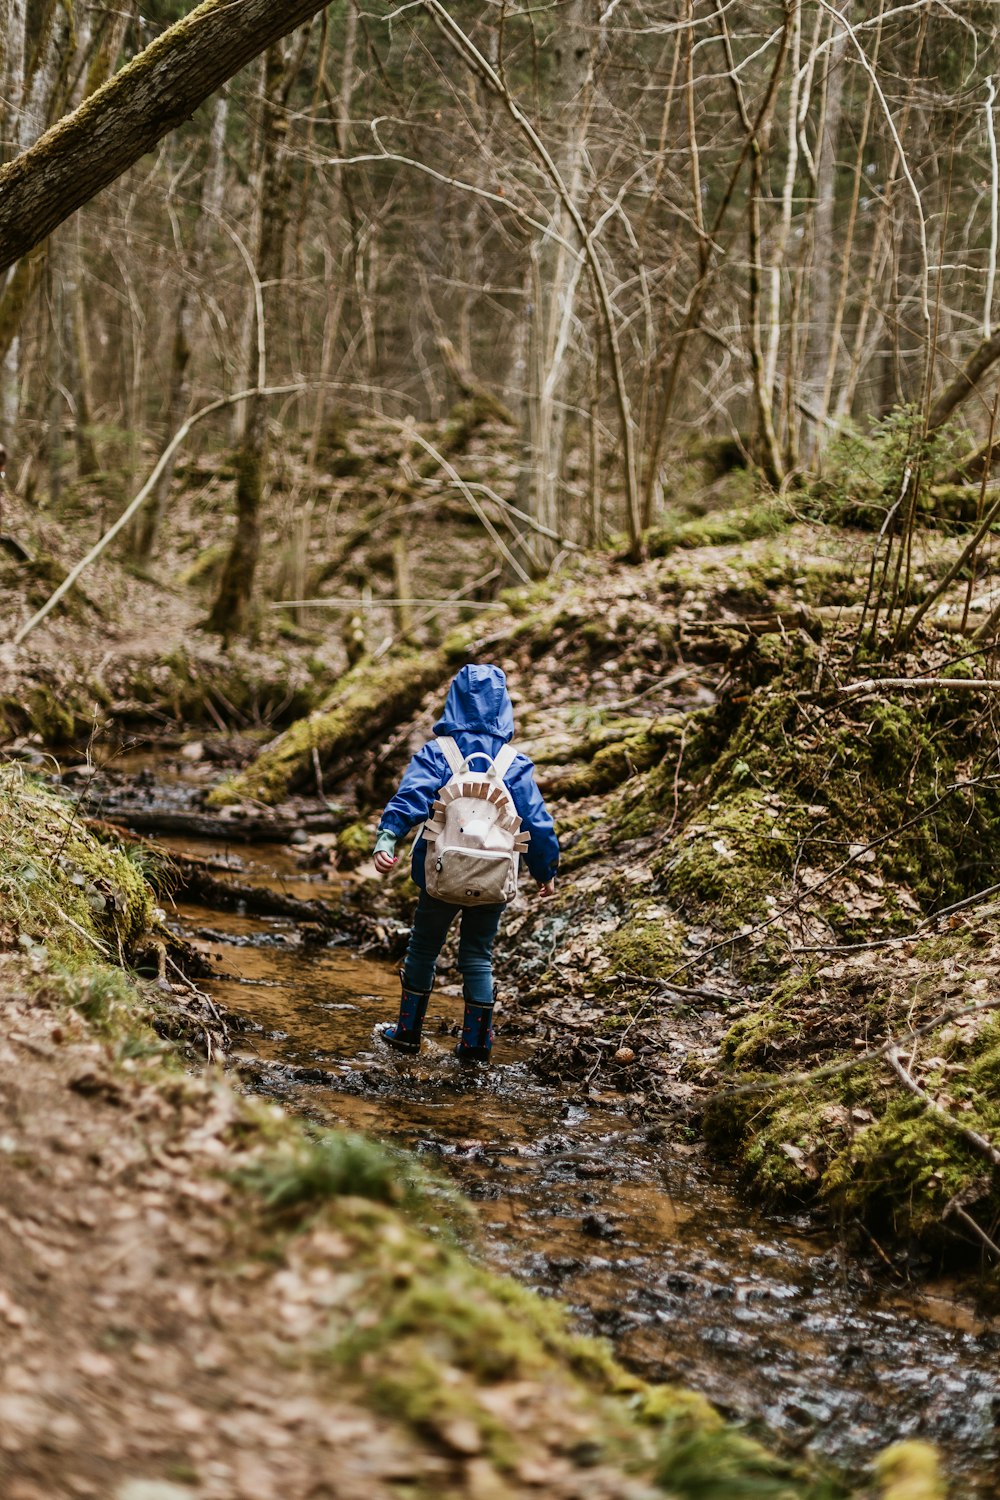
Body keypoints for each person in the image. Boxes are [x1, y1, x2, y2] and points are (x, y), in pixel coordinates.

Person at [371, 663, 559, 1063]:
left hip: (439, 872)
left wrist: (387, 838)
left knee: (423, 947)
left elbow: (410, 798)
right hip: (493, 877)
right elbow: (538, 823)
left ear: (453, 700)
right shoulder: (514, 763)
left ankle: (406, 1033)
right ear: (503, 706)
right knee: (478, 954)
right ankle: (476, 1045)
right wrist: (546, 872)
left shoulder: (438, 753)